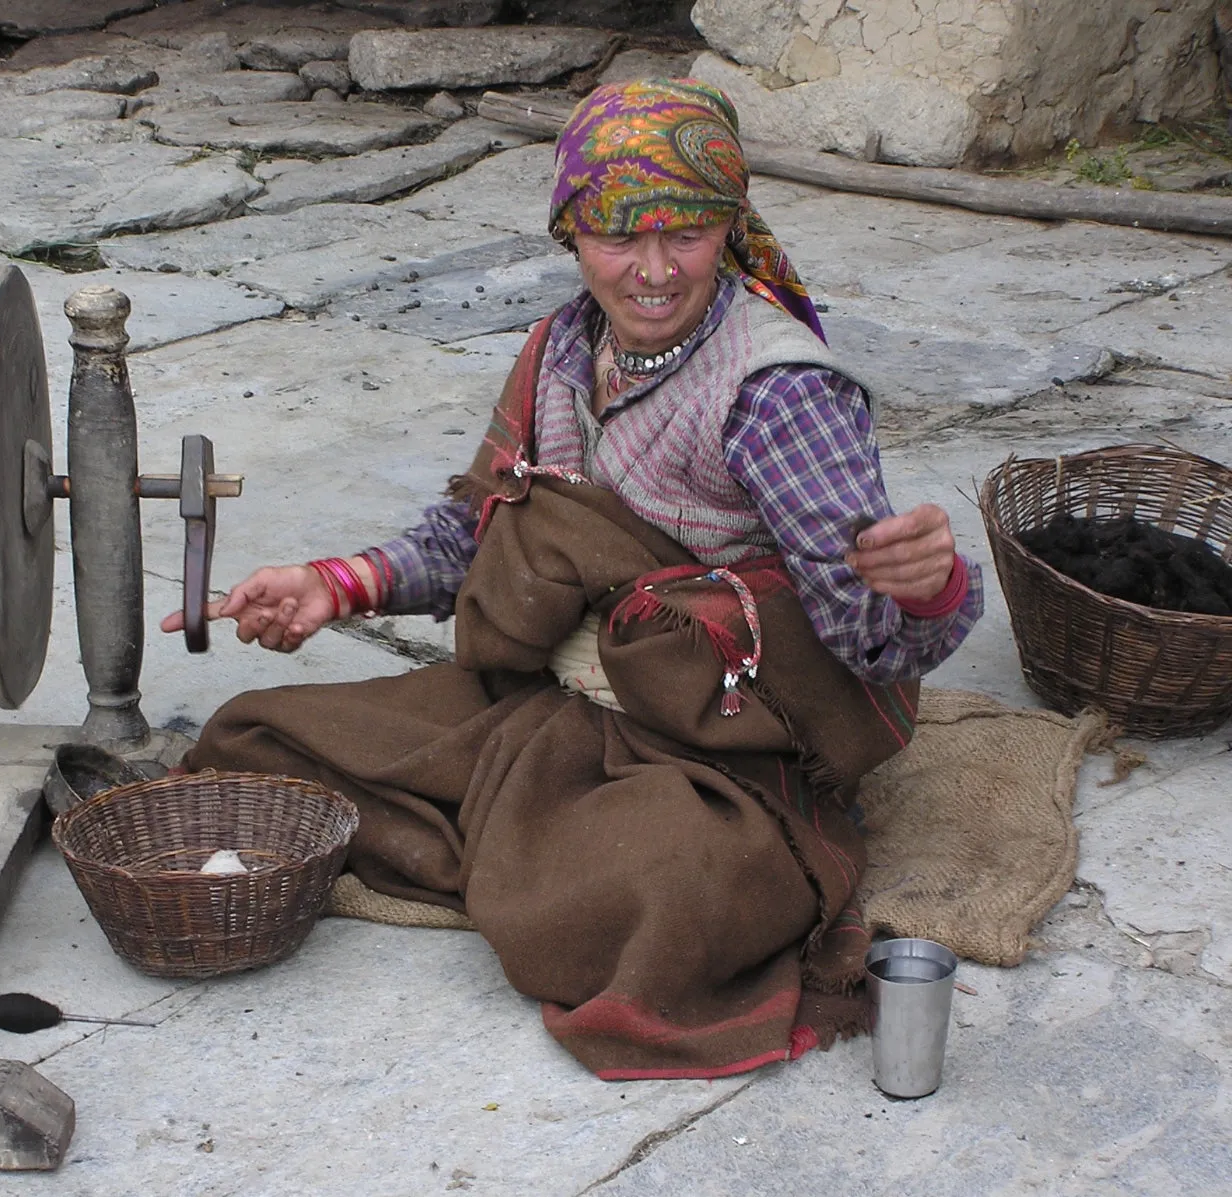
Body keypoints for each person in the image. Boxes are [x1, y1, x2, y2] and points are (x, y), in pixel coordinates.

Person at [161, 78, 983, 1080]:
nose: (648, 272)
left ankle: (520, 850)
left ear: (726, 227)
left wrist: (923, 588)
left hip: (718, 748)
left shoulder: (779, 395)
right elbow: (481, 529)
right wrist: (341, 582)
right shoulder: (560, 351)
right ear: (569, 232)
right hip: (552, 700)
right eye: (614, 236)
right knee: (254, 737)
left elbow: (870, 646)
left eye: (683, 234)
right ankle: (520, 838)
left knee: (662, 899)